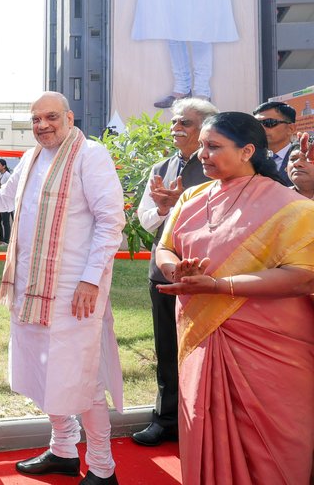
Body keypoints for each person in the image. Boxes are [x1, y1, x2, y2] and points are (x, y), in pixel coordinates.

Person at [0, 92, 125, 485]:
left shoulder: (91, 156)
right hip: (30, 288)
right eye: (36, 119)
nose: (42, 125)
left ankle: (103, 468)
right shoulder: (32, 157)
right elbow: (5, 197)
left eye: (50, 117)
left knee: (81, 376)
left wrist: (91, 278)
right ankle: (63, 449)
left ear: (69, 117)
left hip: (75, 292)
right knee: (42, 369)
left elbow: (110, 221)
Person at [155, 112, 314, 485]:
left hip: (270, 346)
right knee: (203, 422)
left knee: (273, 446)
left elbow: (303, 276)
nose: (203, 155)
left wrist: (218, 286)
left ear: (247, 151)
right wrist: (177, 271)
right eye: (202, 146)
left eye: (213, 146)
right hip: (201, 336)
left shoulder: (293, 207)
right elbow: (165, 248)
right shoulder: (192, 197)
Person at [132, 98, 217, 446]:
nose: (176, 128)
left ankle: (205, 423)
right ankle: (166, 419)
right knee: (167, 348)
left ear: (206, 128)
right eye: (174, 122)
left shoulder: (219, 166)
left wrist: (183, 206)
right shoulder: (161, 167)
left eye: (185, 123)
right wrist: (166, 209)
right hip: (164, 273)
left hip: (208, 273)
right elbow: (145, 219)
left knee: (208, 351)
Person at [253, 101, 296, 186]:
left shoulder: (305, 159)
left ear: (290, 129)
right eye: (256, 124)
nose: (261, 128)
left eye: (268, 122)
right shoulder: (249, 160)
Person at [288, 133, 314, 199]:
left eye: (307, 159)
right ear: (286, 168)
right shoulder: (274, 198)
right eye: (293, 159)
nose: (296, 164)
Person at [0, 158, 12, 244]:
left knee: (5, 222)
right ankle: (1, 239)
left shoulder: (7, 175)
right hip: (0, 201)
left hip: (6, 202)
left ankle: (6, 240)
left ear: (4, 166)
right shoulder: (0, 174)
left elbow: (10, 189)